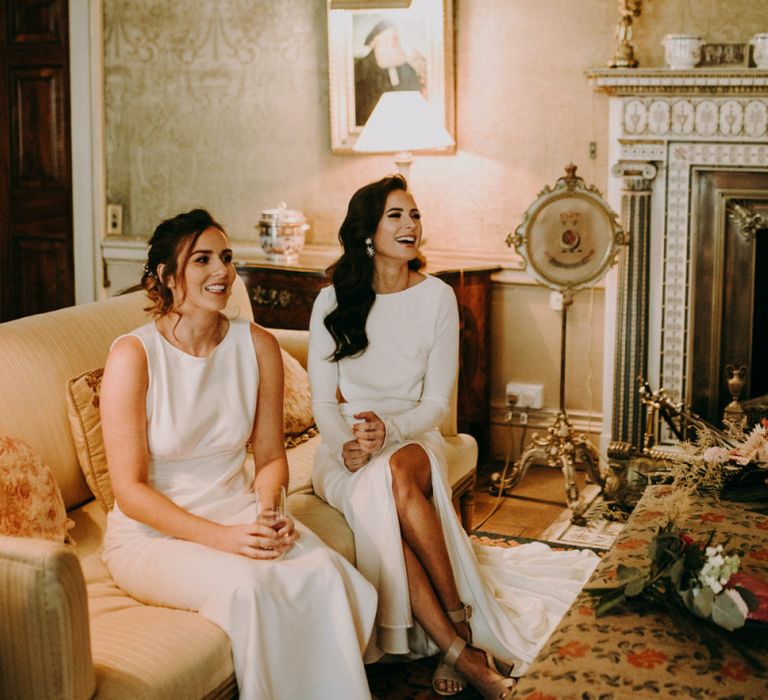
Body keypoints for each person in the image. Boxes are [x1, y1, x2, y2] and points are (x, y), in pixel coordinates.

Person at [308, 176, 600, 699]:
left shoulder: (438, 298)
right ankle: (460, 646)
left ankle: (459, 627)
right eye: (396, 215)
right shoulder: (332, 300)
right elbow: (323, 402)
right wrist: (346, 445)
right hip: (343, 450)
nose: (410, 225)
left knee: (396, 474)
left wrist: (390, 431)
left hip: (413, 438)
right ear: (367, 232)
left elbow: (437, 404)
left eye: (414, 215)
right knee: (383, 506)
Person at [100, 209, 378, 700]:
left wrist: (271, 512)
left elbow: (270, 458)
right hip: (152, 534)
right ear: (166, 277)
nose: (222, 272)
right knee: (250, 589)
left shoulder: (258, 345)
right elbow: (130, 492)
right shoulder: (133, 356)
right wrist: (224, 539)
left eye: (226, 257)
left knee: (323, 572)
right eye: (202, 260)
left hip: (237, 510)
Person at [354, 18, 423, 125]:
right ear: (375, 41)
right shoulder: (361, 68)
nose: (392, 42)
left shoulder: (406, 67)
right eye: (386, 38)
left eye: (394, 38)